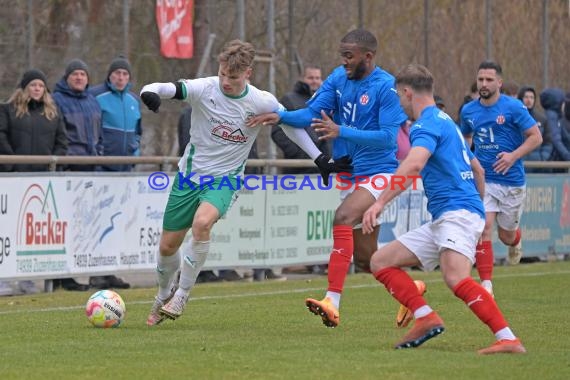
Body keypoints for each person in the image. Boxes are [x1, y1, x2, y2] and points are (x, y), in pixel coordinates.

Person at [139, 39, 347, 326]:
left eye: (233, 77)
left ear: (248, 73)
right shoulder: (206, 88)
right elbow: (169, 88)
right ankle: (163, 293)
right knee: (167, 248)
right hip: (189, 177)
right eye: (223, 73)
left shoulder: (260, 101)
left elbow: (289, 124)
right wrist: (149, 92)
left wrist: (318, 158)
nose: (226, 81)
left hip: (226, 180)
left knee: (202, 224)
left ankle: (183, 294)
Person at [248, 28, 407, 328]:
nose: (344, 61)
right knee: (366, 258)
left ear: (368, 57)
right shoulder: (338, 78)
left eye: (349, 56)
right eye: (342, 55)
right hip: (352, 173)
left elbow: (388, 139)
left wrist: (341, 131)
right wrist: (280, 117)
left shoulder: (387, 88)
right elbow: (310, 114)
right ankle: (412, 295)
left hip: (381, 173)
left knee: (342, 217)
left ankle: (332, 301)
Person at [362, 63, 525, 354]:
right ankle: (425, 317)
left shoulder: (425, 124)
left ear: (408, 92)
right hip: (452, 214)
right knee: (381, 261)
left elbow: (414, 164)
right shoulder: (445, 120)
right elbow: (478, 169)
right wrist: (479, 212)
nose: (399, 103)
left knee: (456, 278)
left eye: (399, 96)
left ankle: (508, 339)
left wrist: (379, 202)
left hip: (456, 213)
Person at [460, 61, 542, 291]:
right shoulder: (468, 110)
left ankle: (516, 240)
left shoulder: (513, 107)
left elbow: (536, 137)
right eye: (480, 79)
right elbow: (465, 138)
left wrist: (513, 156)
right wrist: (470, 161)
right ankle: (486, 285)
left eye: (488, 80)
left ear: (499, 82)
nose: (484, 84)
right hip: (485, 178)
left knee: (506, 236)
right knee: (483, 227)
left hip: (511, 180)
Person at [0, 69, 68, 295]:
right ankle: (4, 277)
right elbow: (1, 136)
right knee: (7, 229)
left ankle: (26, 279)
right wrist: (12, 165)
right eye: (33, 85)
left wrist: (52, 166)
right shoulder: (8, 110)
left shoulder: (52, 113)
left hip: (40, 182)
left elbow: (62, 142)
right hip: (12, 179)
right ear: (24, 88)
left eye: (40, 85)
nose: (37, 89)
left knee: (28, 232)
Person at [87, 56, 142, 290]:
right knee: (97, 222)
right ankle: (95, 273)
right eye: (117, 73)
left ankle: (109, 270)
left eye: (125, 74)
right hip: (103, 171)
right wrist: (100, 159)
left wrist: (135, 156)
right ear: (109, 75)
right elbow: (93, 131)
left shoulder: (133, 100)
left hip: (124, 172)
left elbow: (138, 133)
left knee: (116, 222)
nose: (121, 78)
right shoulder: (97, 97)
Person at [52, 59, 102, 291]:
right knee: (64, 224)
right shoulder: (57, 100)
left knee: (82, 226)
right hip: (70, 169)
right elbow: (59, 134)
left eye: (83, 74)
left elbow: (99, 135)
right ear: (67, 77)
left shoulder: (92, 101)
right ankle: (61, 275)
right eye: (75, 74)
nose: (79, 78)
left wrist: (98, 156)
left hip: (90, 169)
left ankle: (73, 272)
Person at [271, 65, 330, 174]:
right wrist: (299, 153)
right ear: (302, 79)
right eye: (311, 78)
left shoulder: (326, 101)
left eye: (318, 78)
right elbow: (277, 131)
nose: (315, 81)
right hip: (298, 168)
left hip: (326, 166)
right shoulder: (289, 99)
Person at [518, 86, 552, 172]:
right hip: (519, 163)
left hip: (538, 165)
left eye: (531, 97)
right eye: (526, 97)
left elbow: (548, 141)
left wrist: (542, 157)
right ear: (520, 98)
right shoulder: (515, 118)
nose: (529, 100)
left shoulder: (542, 119)